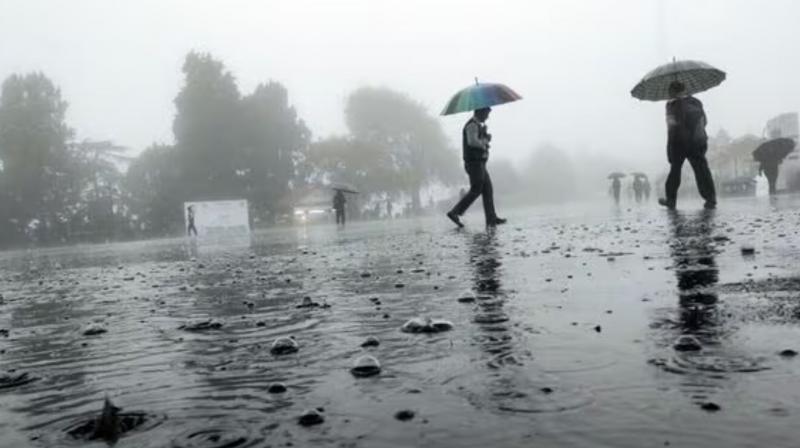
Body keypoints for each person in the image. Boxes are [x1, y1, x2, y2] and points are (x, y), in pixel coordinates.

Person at [658, 81, 716, 210]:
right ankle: (710, 198)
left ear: (672, 91)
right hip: (697, 142)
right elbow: (704, 121)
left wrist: (670, 149)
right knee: (702, 171)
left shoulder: (671, 105)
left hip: (679, 143)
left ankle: (671, 200)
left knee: (675, 172)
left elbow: (671, 128)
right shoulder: (695, 102)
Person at [446, 107, 506, 227]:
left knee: (487, 189)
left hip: (480, 163)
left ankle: (491, 218)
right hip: (474, 163)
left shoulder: (477, 125)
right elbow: (472, 142)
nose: (487, 116)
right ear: (480, 112)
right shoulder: (472, 125)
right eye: (487, 113)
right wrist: (484, 141)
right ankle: (455, 212)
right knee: (476, 189)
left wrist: (485, 136)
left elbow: (477, 140)